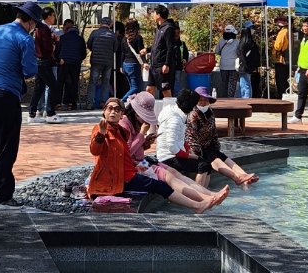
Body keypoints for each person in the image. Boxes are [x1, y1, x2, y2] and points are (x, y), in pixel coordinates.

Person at [87, 98, 218, 214]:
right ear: (104, 111)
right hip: (116, 179)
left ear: (122, 114)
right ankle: (197, 205)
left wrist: (140, 153)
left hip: (128, 173)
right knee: (160, 185)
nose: (113, 112)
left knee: (165, 180)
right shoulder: (100, 129)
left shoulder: (121, 131)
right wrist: (101, 133)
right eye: (110, 108)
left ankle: (203, 199)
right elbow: (95, 150)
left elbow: (123, 154)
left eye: (117, 109)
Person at [0, 2, 41, 211]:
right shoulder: (25, 38)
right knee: (6, 146)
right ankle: (3, 195)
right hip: (6, 95)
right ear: (30, 21)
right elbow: (30, 71)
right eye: (35, 24)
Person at [119, 91, 230, 205]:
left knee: (175, 173)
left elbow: (138, 149)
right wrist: (142, 134)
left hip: (142, 160)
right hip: (137, 164)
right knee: (170, 176)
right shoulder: (124, 124)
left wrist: (146, 142)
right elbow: (126, 152)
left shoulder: (136, 122)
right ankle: (203, 199)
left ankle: (210, 195)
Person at [186, 87, 259, 186]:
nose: (203, 102)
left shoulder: (210, 113)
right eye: (200, 100)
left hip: (208, 145)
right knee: (213, 158)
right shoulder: (193, 115)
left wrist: (216, 147)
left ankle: (245, 177)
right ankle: (237, 178)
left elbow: (214, 132)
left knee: (222, 156)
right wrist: (198, 152)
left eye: (205, 100)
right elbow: (191, 136)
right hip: (197, 148)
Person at [156, 89, 212, 184]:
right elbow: (172, 147)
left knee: (206, 163)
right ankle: (200, 195)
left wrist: (188, 148)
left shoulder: (171, 109)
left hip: (174, 153)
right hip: (167, 158)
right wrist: (189, 156)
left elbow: (179, 138)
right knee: (203, 166)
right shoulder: (175, 120)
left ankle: (206, 190)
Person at [28, 6, 63, 124]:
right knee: (53, 86)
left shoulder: (41, 28)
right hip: (43, 61)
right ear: (49, 16)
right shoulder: (44, 28)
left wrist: (52, 38)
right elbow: (47, 47)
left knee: (38, 88)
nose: (54, 18)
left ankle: (32, 114)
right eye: (53, 16)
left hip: (39, 61)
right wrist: (54, 43)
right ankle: (50, 113)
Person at [86, 16, 118, 110]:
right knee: (105, 82)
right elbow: (115, 49)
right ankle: (103, 102)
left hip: (96, 61)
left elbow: (89, 45)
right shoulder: (113, 35)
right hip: (108, 61)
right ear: (110, 25)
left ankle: (89, 103)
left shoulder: (94, 33)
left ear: (100, 23)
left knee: (92, 82)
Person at [146, 5, 176, 98]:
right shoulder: (158, 28)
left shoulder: (168, 28)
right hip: (154, 65)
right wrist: (147, 50)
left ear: (158, 15)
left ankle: (170, 111)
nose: (153, 15)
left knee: (165, 91)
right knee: (149, 90)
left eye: (154, 13)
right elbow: (157, 45)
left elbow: (170, 48)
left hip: (162, 66)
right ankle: (146, 111)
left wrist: (166, 64)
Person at [57, 18, 87, 110]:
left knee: (60, 83)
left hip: (63, 62)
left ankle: (58, 103)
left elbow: (57, 50)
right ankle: (71, 104)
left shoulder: (62, 37)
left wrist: (58, 60)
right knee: (74, 83)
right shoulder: (80, 39)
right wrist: (78, 59)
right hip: (75, 63)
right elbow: (83, 53)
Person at [120, 19, 145, 102]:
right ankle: (122, 101)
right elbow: (140, 52)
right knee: (136, 87)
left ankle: (131, 104)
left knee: (132, 87)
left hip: (125, 64)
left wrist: (121, 66)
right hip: (133, 65)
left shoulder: (124, 39)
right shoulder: (138, 38)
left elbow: (122, 53)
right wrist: (144, 62)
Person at [215, 25, 239, 98]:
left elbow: (217, 51)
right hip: (233, 66)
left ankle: (223, 98)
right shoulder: (237, 42)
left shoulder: (221, 41)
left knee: (224, 83)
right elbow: (239, 53)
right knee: (232, 84)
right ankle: (230, 99)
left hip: (223, 65)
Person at [236, 26, 260, 99]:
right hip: (250, 67)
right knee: (247, 85)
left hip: (243, 67)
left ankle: (245, 101)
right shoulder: (252, 43)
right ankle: (246, 100)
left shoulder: (242, 44)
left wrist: (247, 67)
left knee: (244, 86)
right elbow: (256, 56)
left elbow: (242, 57)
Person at [273, 17, 290, 99]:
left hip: (280, 58)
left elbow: (278, 46)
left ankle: (281, 96)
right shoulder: (289, 30)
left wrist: (273, 43)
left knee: (280, 79)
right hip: (287, 57)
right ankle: (284, 94)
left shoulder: (283, 32)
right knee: (285, 78)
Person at [173, 24, 189, 97]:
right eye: (175, 33)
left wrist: (185, 59)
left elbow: (186, 53)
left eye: (178, 33)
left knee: (177, 80)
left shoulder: (182, 43)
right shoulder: (170, 42)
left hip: (178, 66)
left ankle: (177, 95)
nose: (177, 35)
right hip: (170, 65)